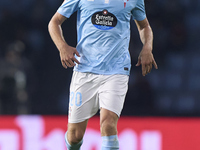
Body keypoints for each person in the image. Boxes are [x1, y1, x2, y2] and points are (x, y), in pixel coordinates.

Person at [48, 0, 158, 149]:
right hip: (85, 69)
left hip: (116, 71)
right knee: (75, 136)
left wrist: (147, 48)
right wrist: (62, 47)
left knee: (108, 124)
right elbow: (54, 22)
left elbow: (144, 26)